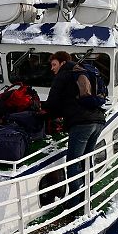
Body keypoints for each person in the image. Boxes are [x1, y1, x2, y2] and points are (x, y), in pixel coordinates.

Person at [43, 51, 105, 209]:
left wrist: (43, 113)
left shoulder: (63, 76)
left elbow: (53, 104)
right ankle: (87, 196)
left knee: (73, 163)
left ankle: (74, 204)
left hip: (82, 124)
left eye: (54, 64)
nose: (52, 68)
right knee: (86, 160)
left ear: (63, 62)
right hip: (98, 121)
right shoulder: (82, 70)